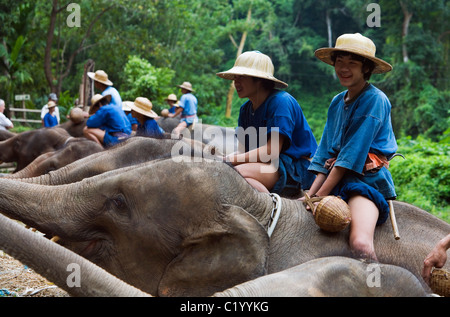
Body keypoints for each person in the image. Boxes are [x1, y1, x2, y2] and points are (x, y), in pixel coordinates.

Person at [305, 33, 397, 261]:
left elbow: (349, 156)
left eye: (352, 63)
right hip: (336, 178)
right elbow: (325, 151)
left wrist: (320, 196)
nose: (343, 69)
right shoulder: (337, 101)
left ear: (366, 68)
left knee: (359, 244)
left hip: (365, 182)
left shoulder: (375, 99)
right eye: (339, 62)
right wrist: (311, 195)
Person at [216, 50, 318, 195]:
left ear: (259, 80)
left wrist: (229, 160)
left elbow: (271, 151)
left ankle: (270, 211)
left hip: (294, 167)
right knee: (223, 171)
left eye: (242, 77)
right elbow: (243, 150)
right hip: (265, 165)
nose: (236, 82)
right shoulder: (245, 109)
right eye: (235, 77)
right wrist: (220, 160)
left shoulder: (281, 102)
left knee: (236, 173)